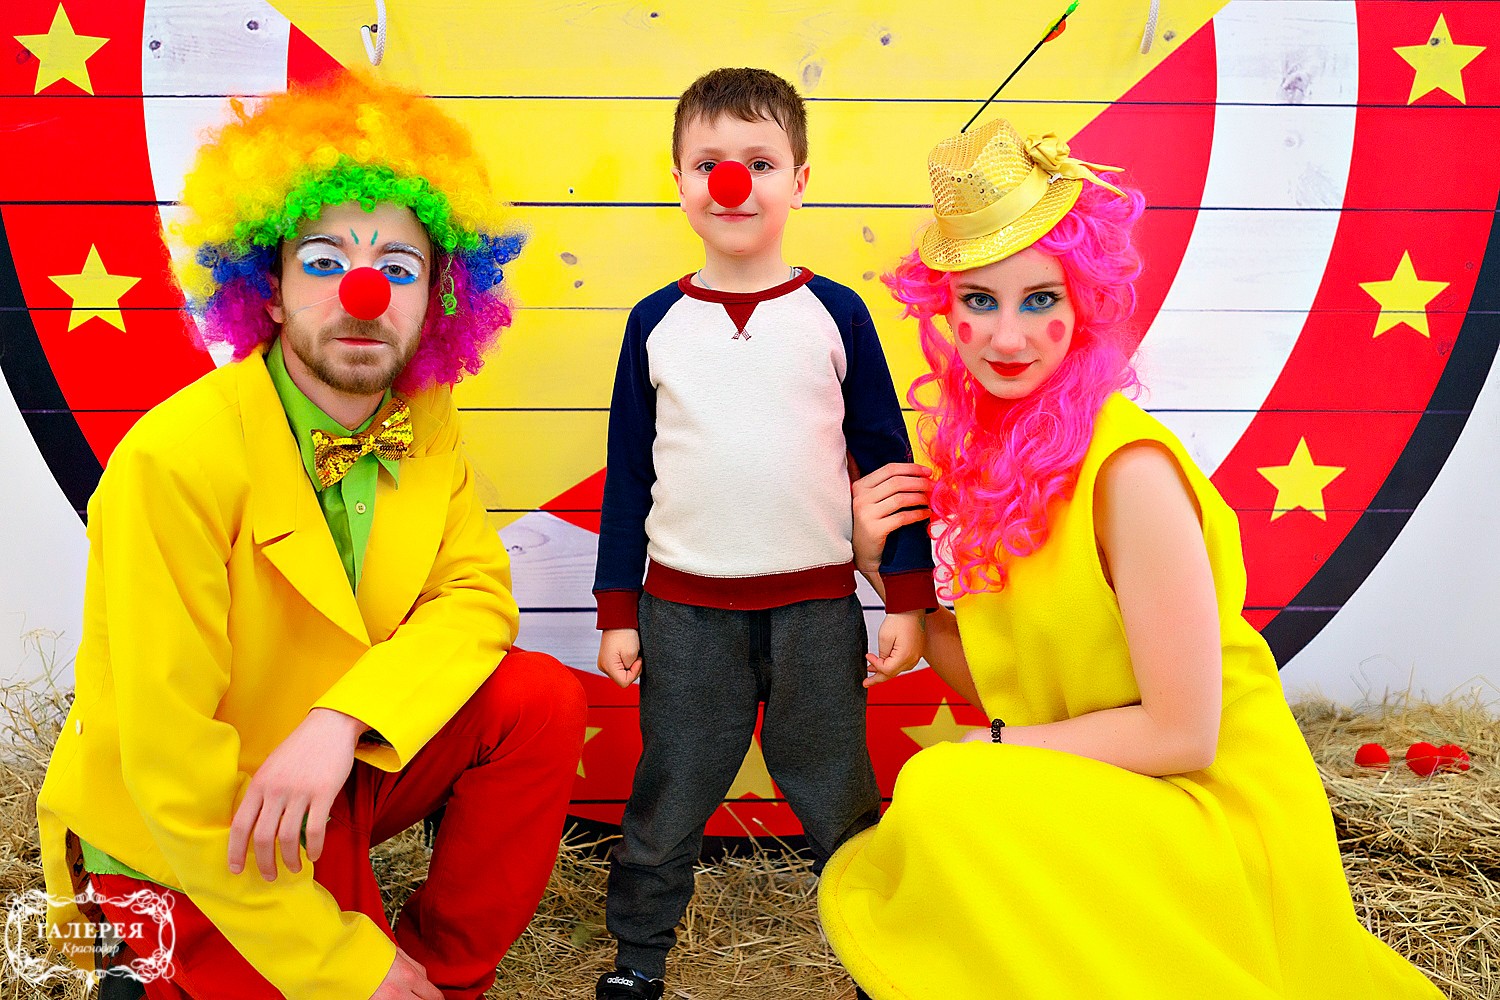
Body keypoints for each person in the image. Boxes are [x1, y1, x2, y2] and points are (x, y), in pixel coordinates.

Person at [817, 118, 1442, 998]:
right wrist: (885, 571)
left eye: (1040, 299)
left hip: (1213, 810)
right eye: (981, 301)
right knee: (947, 792)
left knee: (945, 789)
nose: (1008, 337)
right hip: (1116, 789)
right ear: (945, 312)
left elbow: (1183, 735)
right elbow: (1010, 686)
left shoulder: (1129, 471)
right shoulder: (1002, 464)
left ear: (1083, 305)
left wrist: (996, 750)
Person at [36, 76, 589, 1000]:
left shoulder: (424, 421)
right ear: (271, 291)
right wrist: (343, 963)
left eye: (399, 269)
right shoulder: (173, 460)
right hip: (192, 821)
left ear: (438, 297)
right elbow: (172, 772)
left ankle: (444, 976)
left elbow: (475, 599)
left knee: (537, 701)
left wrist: (342, 721)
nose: (364, 294)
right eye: (325, 261)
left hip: (328, 771)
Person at [590, 67, 936, 1000]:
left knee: (840, 799)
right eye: (709, 163)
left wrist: (905, 597)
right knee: (669, 794)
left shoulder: (839, 314)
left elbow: (890, 464)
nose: (732, 182)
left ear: (800, 180)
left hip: (816, 612)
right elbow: (630, 476)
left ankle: (879, 963)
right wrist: (617, 609)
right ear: (678, 182)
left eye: (759, 161)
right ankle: (637, 962)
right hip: (682, 615)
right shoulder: (655, 324)